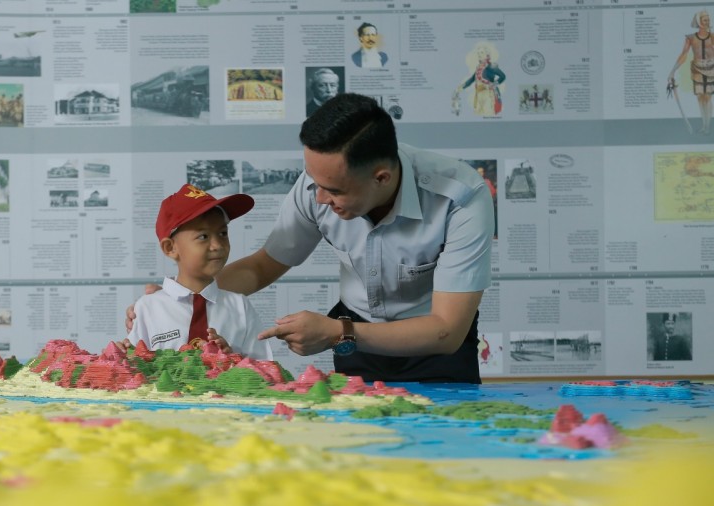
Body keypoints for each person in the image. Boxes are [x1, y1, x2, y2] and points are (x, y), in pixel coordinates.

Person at [128, 93, 493, 383]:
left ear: (380, 178)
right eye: (313, 182)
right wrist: (181, 298)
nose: (318, 199)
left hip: (435, 349)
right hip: (355, 341)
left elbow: (447, 329)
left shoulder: (460, 198)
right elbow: (262, 267)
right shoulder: (317, 184)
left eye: (332, 190)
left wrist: (337, 331)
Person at [122, 183, 273, 360]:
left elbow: (265, 371)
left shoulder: (240, 307)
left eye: (223, 233)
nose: (217, 246)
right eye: (203, 236)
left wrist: (231, 359)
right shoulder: (148, 308)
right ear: (170, 248)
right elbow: (135, 371)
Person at [669, 10, 712, 135]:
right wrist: (673, 70)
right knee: (700, 97)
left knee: (708, 97)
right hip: (697, 69)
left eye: (708, 19)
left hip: (711, 70)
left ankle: (707, 126)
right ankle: (704, 127)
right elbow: (684, 55)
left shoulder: (713, 36)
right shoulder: (691, 38)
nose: (708, 22)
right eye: (705, 20)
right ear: (699, 22)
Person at [456, 42, 505, 117]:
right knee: (478, 114)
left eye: (481, 53)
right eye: (478, 53)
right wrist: (462, 87)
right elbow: (472, 79)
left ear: (487, 55)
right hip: (478, 95)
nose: (479, 54)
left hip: (488, 94)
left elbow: (503, 76)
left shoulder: (491, 66)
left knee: (488, 114)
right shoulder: (478, 67)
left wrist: (494, 84)